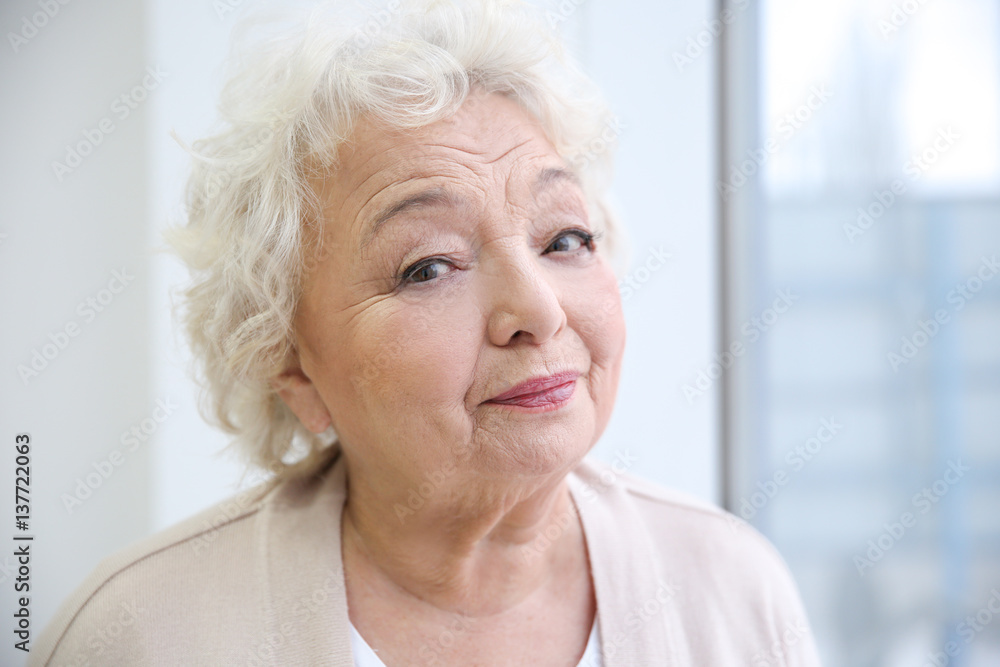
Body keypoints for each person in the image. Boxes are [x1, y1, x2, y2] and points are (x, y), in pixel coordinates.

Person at [31, 1, 823, 665]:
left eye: (565, 239)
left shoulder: (733, 591)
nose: (540, 311)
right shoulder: (139, 634)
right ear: (293, 366)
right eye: (428, 267)